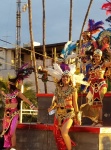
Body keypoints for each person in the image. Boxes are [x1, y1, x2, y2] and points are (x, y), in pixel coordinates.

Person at [0, 64, 37, 150]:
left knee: (12, 132)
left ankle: (13, 148)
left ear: (11, 85)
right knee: (6, 132)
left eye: (8, 84)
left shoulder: (17, 93)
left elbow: (25, 99)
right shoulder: (6, 94)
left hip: (14, 114)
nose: (7, 86)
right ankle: (8, 147)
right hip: (6, 115)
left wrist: (33, 107)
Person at [48, 70, 80, 150]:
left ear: (70, 79)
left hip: (69, 113)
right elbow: (55, 101)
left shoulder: (73, 89)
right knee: (56, 134)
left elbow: (75, 103)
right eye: (63, 77)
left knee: (64, 132)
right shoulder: (57, 89)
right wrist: (51, 107)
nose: (65, 78)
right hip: (58, 113)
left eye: (67, 77)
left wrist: (77, 116)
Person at [80, 49, 111, 126]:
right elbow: (90, 80)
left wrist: (110, 54)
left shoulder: (103, 65)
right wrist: (85, 88)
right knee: (89, 101)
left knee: (98, 101)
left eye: (98, 56)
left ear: (101, 57)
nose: (97, 58)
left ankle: (100, 121)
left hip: (101, 85)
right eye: (96, 56)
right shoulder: (92, 68)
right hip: (93, 86)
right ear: (93, 57)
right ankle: (95, 120)